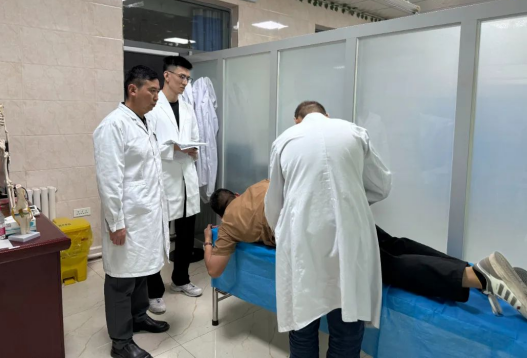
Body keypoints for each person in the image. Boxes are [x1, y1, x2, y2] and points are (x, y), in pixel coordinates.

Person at [204, 181, 527, 321]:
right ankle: (476, 266)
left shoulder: (228, 225)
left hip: (317, 230)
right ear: (236, 193)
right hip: (339, 209)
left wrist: (209, 239)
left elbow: (214, 269)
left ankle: (477, 276)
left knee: (386, 266)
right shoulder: (261, 185)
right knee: (395, 244)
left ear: (221, 213)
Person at [262, 100, 390, 358]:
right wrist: (349, 202)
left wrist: (283, 231)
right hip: (349, 238)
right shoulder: (355, 132)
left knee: (302, 323)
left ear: (297, 120)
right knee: (347, 321)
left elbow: (274, 205)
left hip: (302, 241)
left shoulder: (284, 141)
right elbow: (381, 186)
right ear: (327, 115)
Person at [93, 65, 170, 358]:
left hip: (145, 216)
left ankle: (138, 317)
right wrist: (116, 222)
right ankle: (121, 342)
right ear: (132, 89)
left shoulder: (144, 122)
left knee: (140, 272)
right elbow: (109, 179)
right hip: (127, 217)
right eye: (152, 91)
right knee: (121, 279)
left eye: (158, 91)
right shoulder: (113, 126)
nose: (157, 97)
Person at [146, 56, 203, 315]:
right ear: (167, 76)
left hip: (186, 178)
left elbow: (195, 139)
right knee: (157, 237)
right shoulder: (152, 108)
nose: (185, 82)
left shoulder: (188, 108)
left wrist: (192, 150)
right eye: (182, 77)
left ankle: (181, 279)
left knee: (186, 234)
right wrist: (174, 149)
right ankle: (153, 291)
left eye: (188, 78)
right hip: (163, 180)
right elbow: (146, 145)